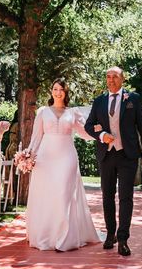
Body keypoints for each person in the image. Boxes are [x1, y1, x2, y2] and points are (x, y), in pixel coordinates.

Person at [84, 66, 142, 257]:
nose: (111, 80)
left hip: (127, 155)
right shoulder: (99, 101)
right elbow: (88, 126)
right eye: (108, 76)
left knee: (125, 197)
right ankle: (110, 234)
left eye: (115, 76)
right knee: (107, 196)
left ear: (122, 79)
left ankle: (123, 239)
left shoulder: (133, 99)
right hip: (106, 155)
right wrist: (102, 135)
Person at [26, 79, 100, 251]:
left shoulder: (73, 112)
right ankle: (47, 235)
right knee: (48, 195)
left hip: (67, 156)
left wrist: (98, 132)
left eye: (61, 89)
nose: (57, 92)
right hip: (45, 157)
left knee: (64, 194)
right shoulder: (43, 112)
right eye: (55, 89)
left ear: (66, 92)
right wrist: (28, 155)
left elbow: (84, 133)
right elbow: (36, 137)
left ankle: (65, 239)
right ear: (51, 91)